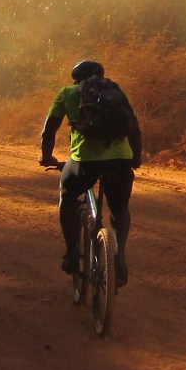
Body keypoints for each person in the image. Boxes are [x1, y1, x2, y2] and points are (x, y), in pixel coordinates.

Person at [40, 60, 141, 285]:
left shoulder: (67, 93)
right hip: (120, 161)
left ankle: (73, 255)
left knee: (67, 197)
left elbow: (50, 128)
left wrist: (48, 157)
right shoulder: (117, 92)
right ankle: (119, 254)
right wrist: (135, 159)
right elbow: (134, 128)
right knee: (121, 207)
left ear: (75, 78)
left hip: (85, 162)